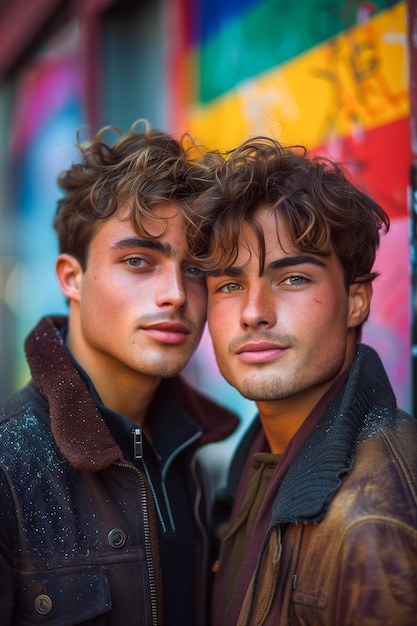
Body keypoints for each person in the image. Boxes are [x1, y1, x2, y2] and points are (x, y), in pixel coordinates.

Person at [0, 121, 238, 626]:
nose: (175, 293)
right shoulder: (8, 467)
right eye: (138, 260)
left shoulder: (190, 452)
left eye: (195, 268)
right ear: (72, 278)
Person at [191, 136, 417, 625]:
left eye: (292, 278)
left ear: (356, 301)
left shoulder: (375, 521)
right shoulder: (249, 464)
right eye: (229, 285)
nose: (253, 313)